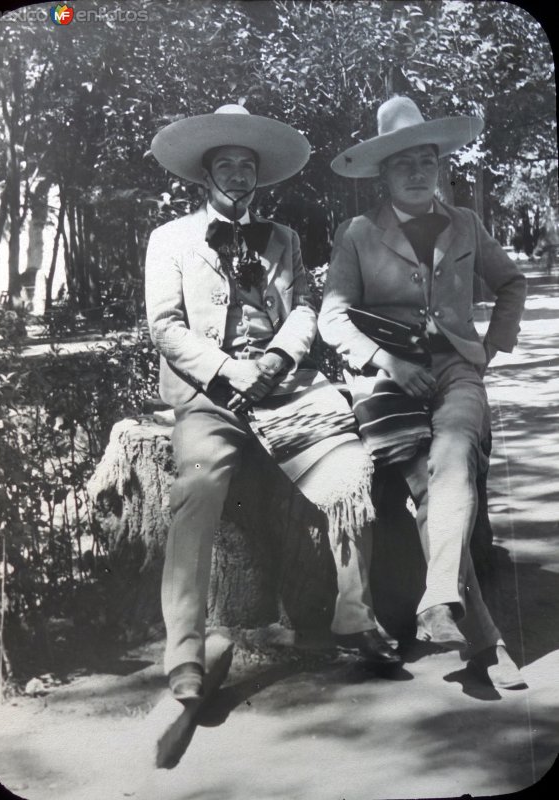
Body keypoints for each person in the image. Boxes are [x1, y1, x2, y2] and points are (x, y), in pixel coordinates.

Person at [145, 104, 400, 702]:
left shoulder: (283, 238)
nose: (237, 174)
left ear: (257, 176)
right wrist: (230, 369)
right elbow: (164, 325)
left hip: (288, 390)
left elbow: (307, 307)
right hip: (212, 398)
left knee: (352, 471)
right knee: (199, 487)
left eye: (246, 165)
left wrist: (280, 359)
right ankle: (184, 654)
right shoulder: (170, 239)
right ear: (204, 174)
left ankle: (354, 614)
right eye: (225, 164)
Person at [319, 96, 528, 689]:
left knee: (456, 454)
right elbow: (333, 318)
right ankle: (485, 641)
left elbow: (510, 282)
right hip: (386, 381)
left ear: (440, 168)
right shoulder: (358, 234)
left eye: (427, 161)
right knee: (424, 487)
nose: (417, 172)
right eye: (403, 163)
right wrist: (384, 359)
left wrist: (491, 345)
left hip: (457, 370)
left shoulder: (466, 224)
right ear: (383, 175)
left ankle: (441, 596)